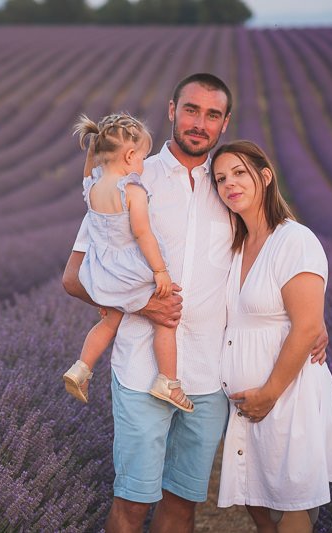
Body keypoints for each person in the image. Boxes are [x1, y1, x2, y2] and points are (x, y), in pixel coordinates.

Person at [62, 73, 329, 533]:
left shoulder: (230, 190)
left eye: (212, 114)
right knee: (131, 503)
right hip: (141, 371)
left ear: (225, 123)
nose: (199, 123)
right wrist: (144, 305)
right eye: (191, 109)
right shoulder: (131, 179)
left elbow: (268, 266)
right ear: (171, 110)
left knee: (182, 505)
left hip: (208, 378)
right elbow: (74, 277)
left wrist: (311, 323)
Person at [212, 140, 332, 533]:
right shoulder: (236, 245)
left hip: (287, 392)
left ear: (265, 177)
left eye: (239, 173)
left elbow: (305, 327)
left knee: (290, 502)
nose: (229, 183)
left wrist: (269, 392)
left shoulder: (294, 241)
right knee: (255, 494)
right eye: (220, 178)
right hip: (247, 401)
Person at [62, 112, 193, 412]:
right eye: (142, 158)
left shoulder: (92, 187)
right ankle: (167, 381)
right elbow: (143, 233)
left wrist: (95, 152)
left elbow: (89, 170)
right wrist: (160, 271)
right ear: (130, 155)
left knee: (110, 321)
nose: (143, 165)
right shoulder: (132, 191)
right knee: (166, 315)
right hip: (131, 271)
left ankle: (82, 367)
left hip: (101, 270)